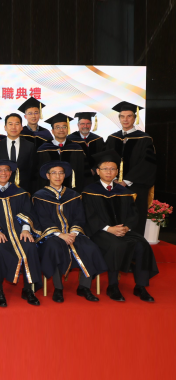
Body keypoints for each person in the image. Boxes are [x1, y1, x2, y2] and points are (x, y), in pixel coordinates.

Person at [82, 150, 158, 302]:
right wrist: (109, 229)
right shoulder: (89, 191)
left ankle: (140, 286)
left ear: (117, 171)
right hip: (100, 231)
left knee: (142, 244)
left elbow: (134, 214)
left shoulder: (124, 191)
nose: (109, 172)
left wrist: (126, 228)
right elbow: (88, 215)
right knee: (116, 245)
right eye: (105, 169)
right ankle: (113, 286)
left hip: (123, 230)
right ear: (98, 171)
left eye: (112, 169)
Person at [33, 161, 107, 303]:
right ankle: (58, 288)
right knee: (54, 248)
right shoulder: (40, 196)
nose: (58, 176)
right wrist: (60, 234)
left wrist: (73, 233)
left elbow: (79, 217)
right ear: (48, 176)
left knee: (90, 248)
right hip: (51, 235)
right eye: (54, 173)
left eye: (61, 173)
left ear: (65, 175)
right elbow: (42, 219)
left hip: (74, 234)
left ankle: (84, 287)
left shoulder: (73, 195)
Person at [0, 160, 43, 307]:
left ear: (10, 173)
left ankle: (28, 289)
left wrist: (26, 229)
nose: (3, 173)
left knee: (30, 247)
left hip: (20, 232)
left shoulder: (20, 192)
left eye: (6, 170)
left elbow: (29, 211)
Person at [105, 101, 156, 235]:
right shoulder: (112, 138)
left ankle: (136, 248)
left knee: (135, 218)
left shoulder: (144, 139)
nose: (125, 119)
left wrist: (126, 181)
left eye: (129, 116)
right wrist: (113, 178)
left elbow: (147, 163)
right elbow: (105, 161)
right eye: (122, 116)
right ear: (119, 118)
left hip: (136, 186)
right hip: (113, 185)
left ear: (134, 118)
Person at [36, 113, 88, 192]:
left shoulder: (77, 148)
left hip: (73, 190)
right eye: (58, 127)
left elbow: (82, 171)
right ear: (52, 131)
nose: (61, 130)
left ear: (68, 129)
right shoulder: (43, 149)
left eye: (64, 127)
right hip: (48, 192)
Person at [0, 113, 36, 193]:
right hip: (1, 190)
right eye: (10, 124)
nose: (13, 127)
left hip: (24, 190)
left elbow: (33, 171)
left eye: (17, 124)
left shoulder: (30, 146)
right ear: (5, 127)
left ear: (21, 127)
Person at [67, 112, 105, 186]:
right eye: (82, 124)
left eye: (88, 123)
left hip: (94, 176)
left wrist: (94, 169)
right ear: (78, 125)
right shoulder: (70, 140)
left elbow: (102, 157)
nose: (85, 126)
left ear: (91, 125)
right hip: (75, 175)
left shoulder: (98, 139)